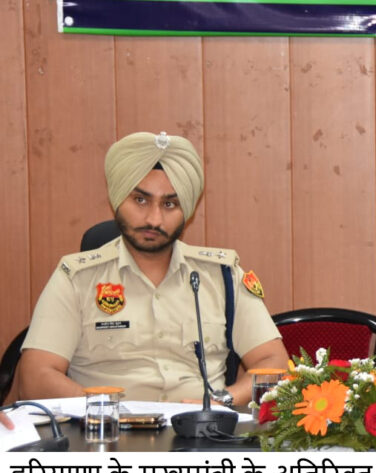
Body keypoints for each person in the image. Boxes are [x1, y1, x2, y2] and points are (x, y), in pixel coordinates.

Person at [17, 131, 288, 406]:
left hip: (200, 428)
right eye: (140, 200)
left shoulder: (222, 275)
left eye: (170, 204)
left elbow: (275, 363)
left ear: (187, 211)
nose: (154, 219)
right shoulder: (76, 278)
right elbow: (34, 378)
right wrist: (106, 410)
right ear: (117, 200)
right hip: (106, 427)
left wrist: (224, 401)